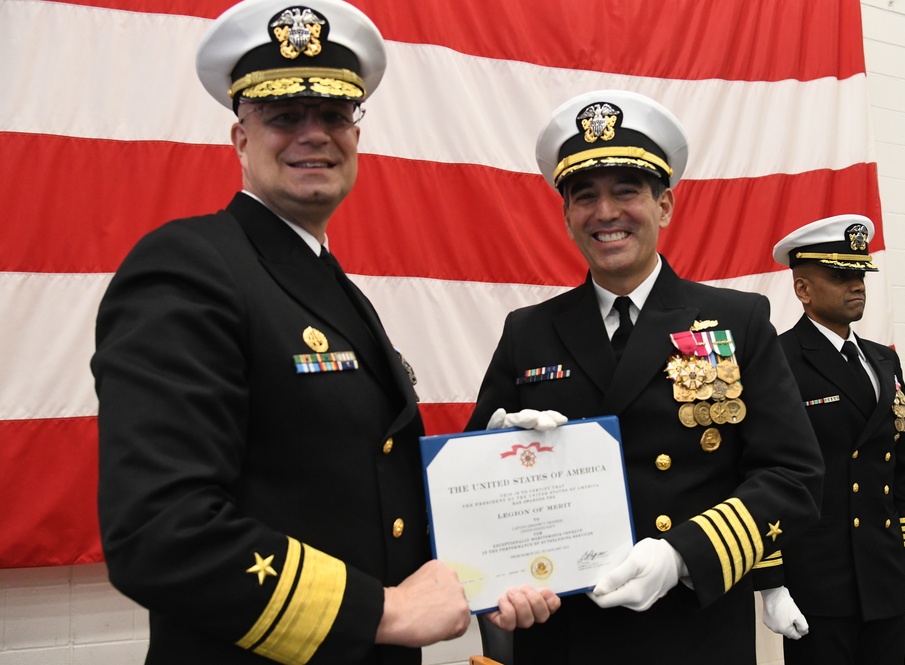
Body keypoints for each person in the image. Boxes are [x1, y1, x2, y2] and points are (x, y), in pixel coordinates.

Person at [91, 1, 556, 663]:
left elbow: (363, 497)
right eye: (284, 116)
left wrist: (503, 501)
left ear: (356, 137)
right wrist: (386, 609)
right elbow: (159, 531)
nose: (314, 134)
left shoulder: (330, 287)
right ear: (240, 138)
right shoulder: (191, 265)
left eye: (335, 115)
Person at [465, 89, 825, 664]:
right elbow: (472, 498)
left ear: (665, 206)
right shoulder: (527, 332)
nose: (605, 213)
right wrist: (493, 452)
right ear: (566, 217)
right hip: (565, 635)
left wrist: (684, 554)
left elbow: (793, 477)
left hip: (694, 631)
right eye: (585, 197)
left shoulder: (738, 320)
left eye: (626, 191)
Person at [758, 214, 905, 664]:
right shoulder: (778, 361)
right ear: (803, 290)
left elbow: (899, 470)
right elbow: (760, 474)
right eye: (840, 276)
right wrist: (771, 583)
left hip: (884, 578)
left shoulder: (883, 363)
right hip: (819, 584)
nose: (857, 286)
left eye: (860, 275)